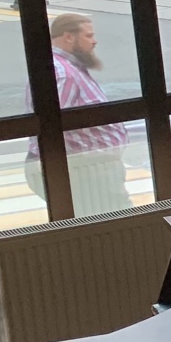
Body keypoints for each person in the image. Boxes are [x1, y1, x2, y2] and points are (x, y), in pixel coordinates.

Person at [24, 12, 133, 215]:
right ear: (68, 37)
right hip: (83, 170)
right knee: (119, 222)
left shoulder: (66, 67)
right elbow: (51, 126)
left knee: (103, 222)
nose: (94, 41)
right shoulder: (62, 73)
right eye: (88, 36)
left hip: (89, 169)